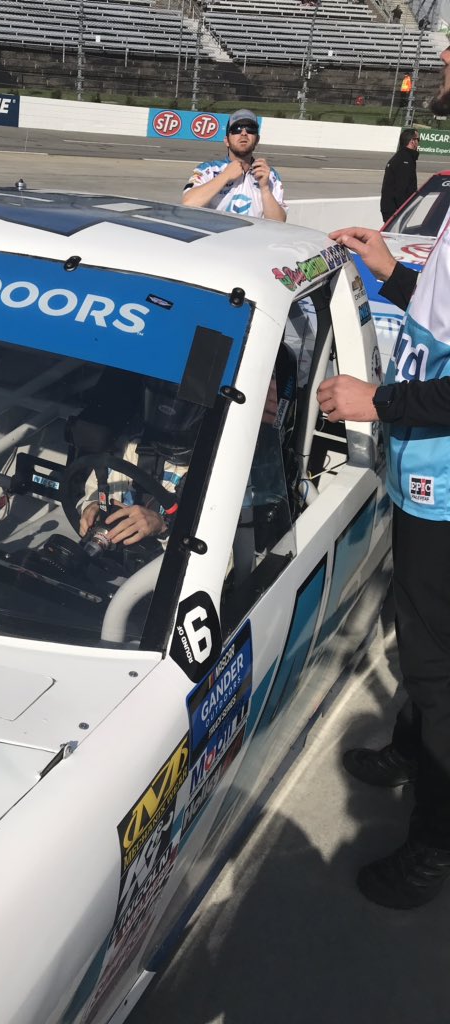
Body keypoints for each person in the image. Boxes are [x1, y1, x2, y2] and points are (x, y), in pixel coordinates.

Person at [315, 43, 450, 911]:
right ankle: (411, 746)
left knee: (442, 671)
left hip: (446, 488)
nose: (442, 78)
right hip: (425, 476)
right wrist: (394, 274)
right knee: (422, 642)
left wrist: (379, 401)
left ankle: (435, 844)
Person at [78, 381, 202, 547]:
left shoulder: (214, 473)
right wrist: (92, 508)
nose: (167, 422)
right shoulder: (131, 447)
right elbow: (92, 492)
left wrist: (163, 528)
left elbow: (218, 557)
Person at [181, 108, 287, 222]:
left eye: (251, 129)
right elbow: (188, 203)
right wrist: (225, 176)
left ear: (257, 140)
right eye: (237, 129)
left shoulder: (270, 175)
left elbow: (279, 222)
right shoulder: (209, 170)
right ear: (226, 140)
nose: (244, 133)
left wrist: (265, 188)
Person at [380, 128, 419, 222]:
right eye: (418, 139)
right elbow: (401, 189)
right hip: (396, 210)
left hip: (393, 208)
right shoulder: (405, 160)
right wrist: (403, 210)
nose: (418, 143)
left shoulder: (402, 156)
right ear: (412, 141)